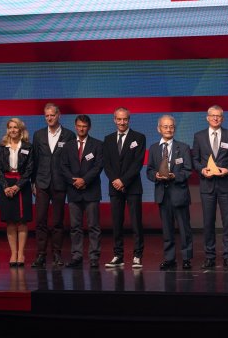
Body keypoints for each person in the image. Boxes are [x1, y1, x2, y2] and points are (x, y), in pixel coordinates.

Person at [191, 105, 228, 269]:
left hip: (226, 185)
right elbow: (194, 160)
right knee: (208, 222)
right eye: (212, 115)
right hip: (207, 185)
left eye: (218, 116)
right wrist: (202, 170)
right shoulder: (199, 136)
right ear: (207, 117)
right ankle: (209, 256)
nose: (215, 118)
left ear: (222, 118)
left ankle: (227, 256)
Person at [31, 103, 75, 268]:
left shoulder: (69, 135)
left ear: (59, 115)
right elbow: (34, 160)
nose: (49, 118)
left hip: (60, 183)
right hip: (42, 182)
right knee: (40, 220)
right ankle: (41, 255)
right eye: (47, 116)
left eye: (52, 115)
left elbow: (71, 161)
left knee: (57, 222)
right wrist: (33, 182)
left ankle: (57, 254)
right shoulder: (38, 135)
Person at [146, 115, 193, 270]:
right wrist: (156, 176)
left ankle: (186, 258)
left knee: (184, 229)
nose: (169, 129)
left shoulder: (183, 147)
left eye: (171, 126)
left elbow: (188, 170)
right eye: (165, 126)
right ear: (159, 129)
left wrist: (175, 176)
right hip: (162, 194)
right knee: (167, 230)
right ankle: (169, 258)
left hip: (179, 194)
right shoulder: (153, 148)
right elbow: (149, 171)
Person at [103, 107, 146, 268]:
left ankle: (137, 255)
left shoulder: (139, 138)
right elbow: (106, 163)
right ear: (114, 119)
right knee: (117, 223)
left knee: (136, 223)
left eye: (125, 119)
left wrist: (123, 181)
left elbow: (138, 163)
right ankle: (118, 255)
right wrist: (115, 180)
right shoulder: (107, 139)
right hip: (114, 187)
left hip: (133, 187)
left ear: (129, 120)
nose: (122, 122)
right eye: (119, 119)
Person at [62, 115, 103, 269]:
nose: (81, 128)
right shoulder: (68, 146)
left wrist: (84, 180)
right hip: (73, 191)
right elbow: (63, 167)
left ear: (89, 127)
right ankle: (77, 256)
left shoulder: (98, 145)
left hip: (91, 190)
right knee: (75, 227)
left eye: (84, 126)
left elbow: (98, 167)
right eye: (79, 126)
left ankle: (94, 257)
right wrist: (75, 181)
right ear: (75, 126)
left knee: (93, 226)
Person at [0, 118, 34, 268]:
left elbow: (30, 169)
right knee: (10, 220)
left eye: (15, 127)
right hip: (6, 185)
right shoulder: (2, 146)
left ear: (20, 130)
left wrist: (17, 186)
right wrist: (5, 187)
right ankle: (13, 253)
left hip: (22, 185)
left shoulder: (28, 147)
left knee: (22, 221)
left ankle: (21, 253)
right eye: (10, 127)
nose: (12, 130)